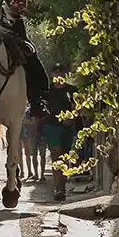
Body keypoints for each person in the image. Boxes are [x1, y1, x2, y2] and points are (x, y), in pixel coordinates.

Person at [43, 63, 77, 201]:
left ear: (65, 74)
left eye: (61, 73)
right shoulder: (48, 91)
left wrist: (72, 118)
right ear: (51, 75)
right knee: (55, 155)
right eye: (55, 73)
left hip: (67, 128)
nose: (58, 75)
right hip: (51, 127)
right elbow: (42, 108)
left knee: (65, 157)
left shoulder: (72, 90)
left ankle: (61, 187)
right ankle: (58, 188)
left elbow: (77, 107)